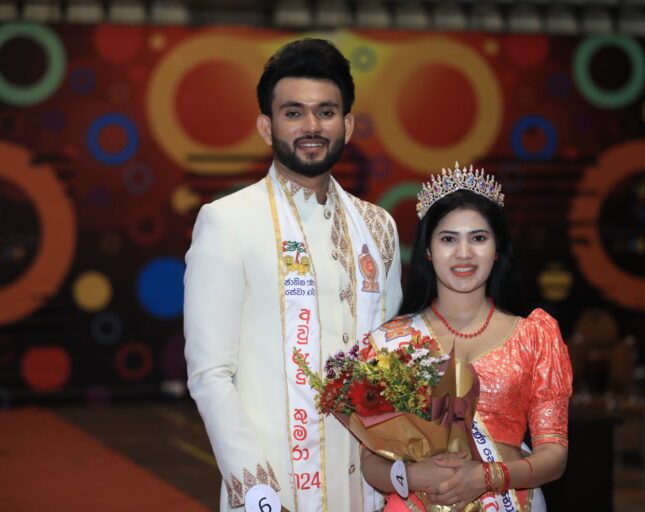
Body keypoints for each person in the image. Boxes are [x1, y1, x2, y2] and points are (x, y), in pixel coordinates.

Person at [184, 38, 402, 512]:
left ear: (347, 124)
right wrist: (259, 494)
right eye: (293, 113)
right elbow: (210, 374)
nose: (311, 126)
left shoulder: (378, 228)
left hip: (370, 488)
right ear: (267, 126)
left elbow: (391, 363)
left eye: (326, 112)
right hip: (275, 490)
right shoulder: (228, 222)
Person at [360, 163, 572, 512]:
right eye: (448, 239)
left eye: (478, 238)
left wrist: (487, 477)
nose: (463, 253)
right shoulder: (390, 342)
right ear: (428, 250)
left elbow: (554, 456)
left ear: (497, 248)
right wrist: (413, 476)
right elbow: (371, 462)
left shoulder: (535, 337)